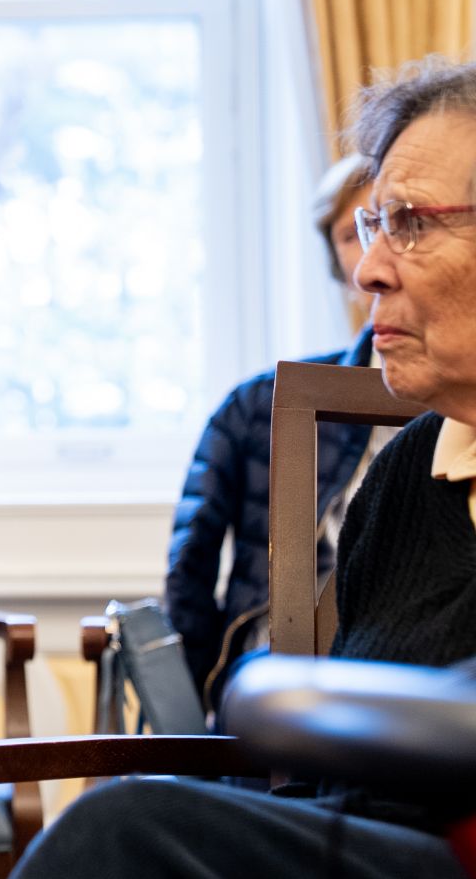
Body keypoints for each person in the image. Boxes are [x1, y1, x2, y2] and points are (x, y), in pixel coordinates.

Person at [12, 56, 476, 879]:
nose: (369, 268)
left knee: (123, 832)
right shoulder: (407, 473)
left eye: (410, 223)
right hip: (360, 837)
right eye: (372, 225)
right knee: (125, 822)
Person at [164, 154, 383, 710]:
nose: (376, 254)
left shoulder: (455, 399)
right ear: (337, 266)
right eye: (353, 234)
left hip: (408, 659)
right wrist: (198, 704)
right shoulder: (258, 403)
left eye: (390, 222)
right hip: (276, 661)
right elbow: (190, 564)